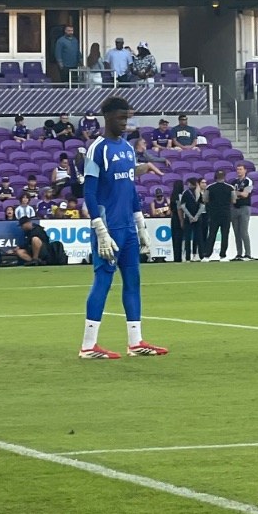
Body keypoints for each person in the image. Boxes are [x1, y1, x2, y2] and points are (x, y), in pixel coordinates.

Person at [77, 96, 167, 359]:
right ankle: (88, 346)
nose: (124, 123)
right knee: (103, 281)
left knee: (133, 280)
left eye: (126, 118)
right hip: (109, 228)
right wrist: (99, 229)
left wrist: (141, 224)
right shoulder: (97, 149)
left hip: (127, 226)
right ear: (107, 117)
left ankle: (135, 342)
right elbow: (90, 192)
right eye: (120, 118)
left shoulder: (128, 149)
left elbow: (130, 189)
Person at [205, 169, 234, 260]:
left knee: (212, 235)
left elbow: (205, 199)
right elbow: (234, 200)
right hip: (226, 213)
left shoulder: (209, 187)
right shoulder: (230, 188)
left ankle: (207, 255)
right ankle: (222, 255)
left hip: (214, 214)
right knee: (225, 235)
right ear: (225, 177)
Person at [230, 163, 253, 260]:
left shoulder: (248, 181)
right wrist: (237, 193)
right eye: (238, 169)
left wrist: (236, 193)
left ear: (245, 170)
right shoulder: (233, 181)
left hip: (244, 207)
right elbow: (231, 195)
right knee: (236, 232)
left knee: (243, 231)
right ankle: (239, 253)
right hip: (234, 207)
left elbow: (245, 194)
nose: (239, 171)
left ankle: (248, 253)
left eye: (240, 169)